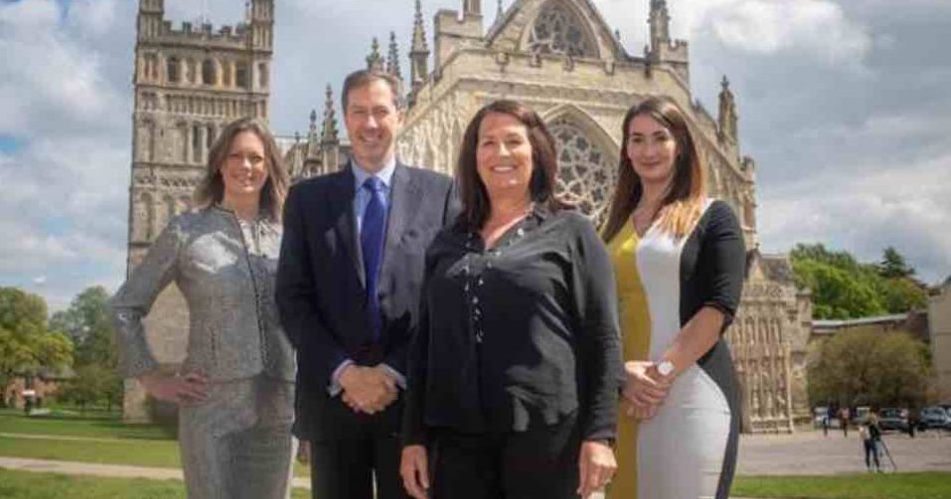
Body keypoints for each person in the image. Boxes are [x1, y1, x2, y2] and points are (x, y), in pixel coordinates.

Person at [400, 100, 622, 499]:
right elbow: (425, 345)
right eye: (488, 143)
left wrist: (601, 434)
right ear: (473, 157)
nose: (500, 153)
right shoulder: (448, 240)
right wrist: (412, 437)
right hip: (456, 438)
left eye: (513, 142)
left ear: (535, 153)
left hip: (546, 434)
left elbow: (603, 336)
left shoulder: (571, 230)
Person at [276, 70, 457, 499]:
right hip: (333, 402)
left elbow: (444, 299)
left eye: (380, 111)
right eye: (359, 112)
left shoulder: (443, 194)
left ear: (401, 114)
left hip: (411, 406)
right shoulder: (307, 199)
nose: (370, 124)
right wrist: (346, 374)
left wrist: (392, 371)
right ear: (344, 118)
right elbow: (293, 299)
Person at [111, 117, 295, 499]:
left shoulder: (290, 232)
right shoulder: (187, 230)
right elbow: (125, 307)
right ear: (219, 163)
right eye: (236, 156)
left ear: (270, 166)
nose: (247, 166)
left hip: (280, 409)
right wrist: (151, 377)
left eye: (257, 158)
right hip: (210, 409)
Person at [603, 96, 746, 499]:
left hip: (689, 390)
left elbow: (718, 308)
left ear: (680, 144)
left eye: (659, 137)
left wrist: (658, 377)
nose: (648, 150)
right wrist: (621, 376)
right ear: (626, 149)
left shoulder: (713, 215)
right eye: (637, 139)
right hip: (624, 394)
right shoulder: (612, 227)